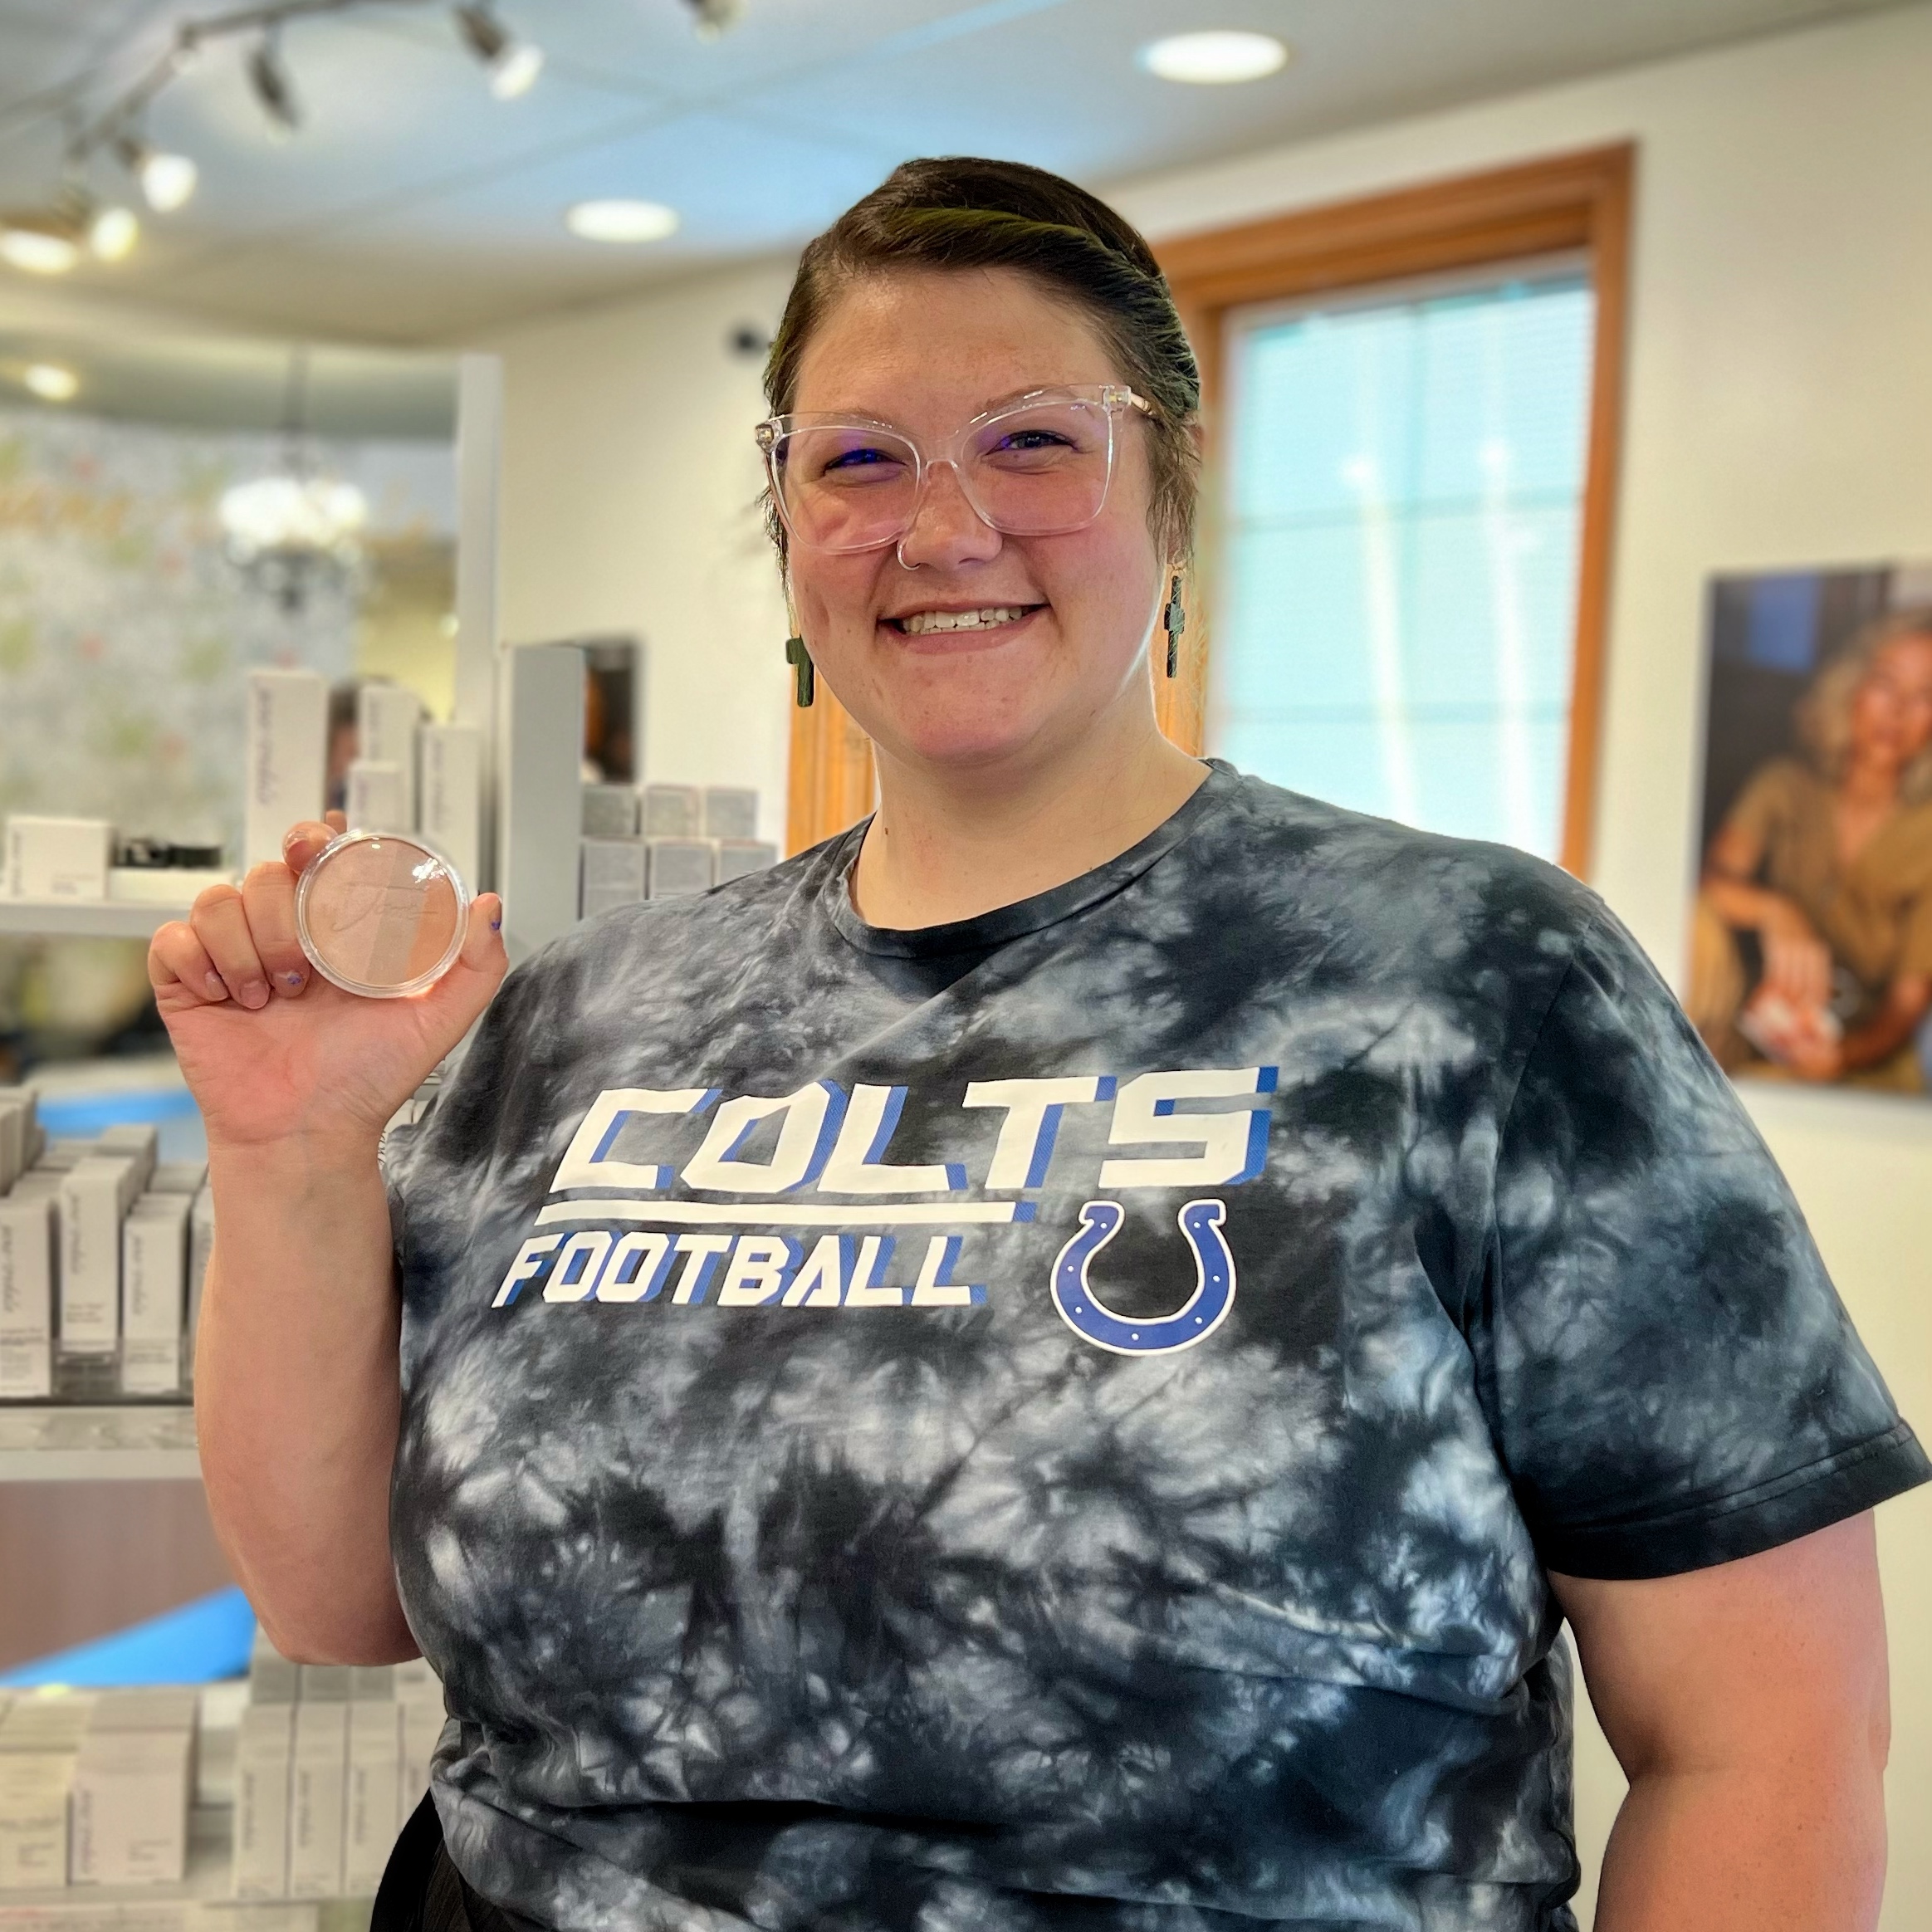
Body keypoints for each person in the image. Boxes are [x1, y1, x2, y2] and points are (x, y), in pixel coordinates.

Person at [151, 159, 1925, 1932]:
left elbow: (1763, 1737)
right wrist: (291, 1149)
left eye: (1030, 442)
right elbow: (334, 1600)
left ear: (1169, 505)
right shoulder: (593, 1010)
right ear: (787, 537)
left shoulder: (1472, 984)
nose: (939, 528)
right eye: (856, 459)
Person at [1691, 609, 1932, 1089]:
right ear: (1852, 689)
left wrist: (1840, 1057)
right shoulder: (1782, 786)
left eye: (1925, 694)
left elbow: (1907, 1003)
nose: (1899, 710)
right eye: (1886, 683)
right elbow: (1710, 885)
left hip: (1861, 1056)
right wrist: (1777, 911)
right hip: (1748, 1028)